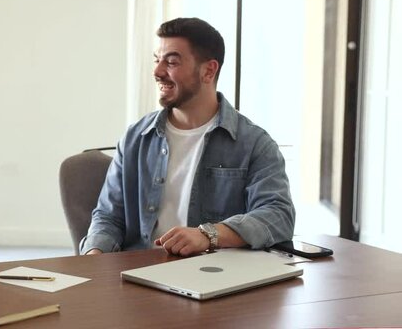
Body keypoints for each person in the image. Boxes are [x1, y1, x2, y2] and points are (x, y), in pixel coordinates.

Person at [80, 17, 295, 256]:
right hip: (136, 276)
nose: (158, 71)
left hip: (212, 278)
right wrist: (94, 257)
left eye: (171, 62)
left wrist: (208, 235)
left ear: (208, 70)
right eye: (157, 60)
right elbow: (108, 217)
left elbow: (278, 216)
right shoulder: (135, 138)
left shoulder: (254, 144)